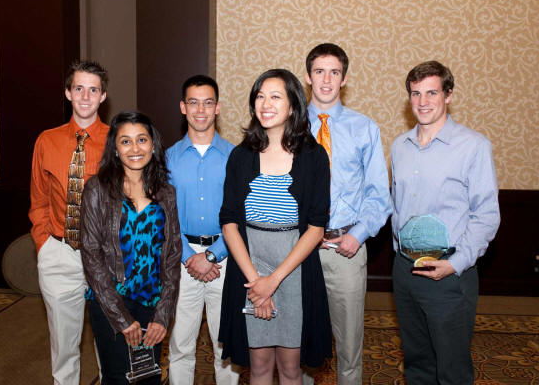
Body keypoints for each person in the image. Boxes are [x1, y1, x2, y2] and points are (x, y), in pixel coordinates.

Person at [219, 69, 332, 383]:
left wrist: (274, 280)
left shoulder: (314, 157)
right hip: (249, 267)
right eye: (260, 96)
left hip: (294, 270)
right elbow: (229, 221)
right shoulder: (240, 156)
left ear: (293, 105)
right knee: (259, 367)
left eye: (275, 97)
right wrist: (257, 282)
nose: (265, 104)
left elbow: (316, 227)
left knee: (291, 368)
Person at [391, 61, 500, 384]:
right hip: (405, 269)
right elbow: (397, 206)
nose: (423, 101)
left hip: (449, 273)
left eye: (432, 93)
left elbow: (486, 215)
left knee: (452, 368)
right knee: (417, 363)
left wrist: (455, 264)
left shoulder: (474, 147)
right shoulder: (399, 146)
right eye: (416, 93)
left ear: (448, 95)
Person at [303, 43, 392, 384]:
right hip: (300, 250)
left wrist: (358, 235)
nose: (327, 80)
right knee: (299, 342)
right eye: (320, 71)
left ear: (344, 79)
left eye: (334, 72)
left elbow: (378, 194)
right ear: (308, 77)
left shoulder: (364, 128)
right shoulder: (290, 125)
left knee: (349, 345)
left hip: (346, 247)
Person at [80, 111, 182, 384]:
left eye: (142, 140)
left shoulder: (166, 192)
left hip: (152, 302)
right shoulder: (97, 189)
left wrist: (163, 315)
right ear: (115, 148)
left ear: (153, 145)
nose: (135, 148)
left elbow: (172, 257)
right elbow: (91, 256)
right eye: (126, 141)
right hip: (110, 301)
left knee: (149, 376)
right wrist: (121, 318)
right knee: (118, 378)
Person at [29, 60, 109, 385]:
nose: (86, 97)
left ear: (103, 96)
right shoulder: (47, 141)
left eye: (93, 90)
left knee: (111, 346)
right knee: (64, 348)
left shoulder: (119, 141)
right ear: (68, 93)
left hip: (105, 256)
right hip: (59, 253)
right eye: (79, 89)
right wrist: (44, 245)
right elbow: (39, 199)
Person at [166, 75, 239, 384]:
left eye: (207, 103)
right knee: (181, 345)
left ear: (217, 107)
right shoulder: (168, 158)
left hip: (226, 256)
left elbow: (242, 213)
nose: (200, 110)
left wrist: (212, 255)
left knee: (226, 346)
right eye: (193, 103)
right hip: (181, 259)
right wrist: (189, 256)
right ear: (183, 107)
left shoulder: (236, 157)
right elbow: (165, 214)